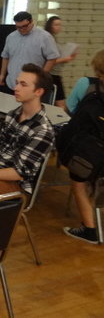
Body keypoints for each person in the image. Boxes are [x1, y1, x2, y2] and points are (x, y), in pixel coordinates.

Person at [0, 63, 55, 200]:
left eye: (23, 84)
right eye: (17, 83)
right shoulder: (12, 115)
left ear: (38, 92)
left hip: (16, 185)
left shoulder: (43, 131)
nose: (16, 88)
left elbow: (18, 173)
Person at [62, 49, 104, 244]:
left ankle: (89, 229)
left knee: (78, 183)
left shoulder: (86, 84)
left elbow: (69, 108)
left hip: (87, 153)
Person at [0, 11, 59, 91]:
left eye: (24, 26)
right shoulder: (11, 37)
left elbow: (52, 58)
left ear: (31, 22)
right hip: (12, 83)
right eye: (18, 27)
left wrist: (41, 77)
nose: (22, 29)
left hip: (32, 86)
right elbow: (5, 57)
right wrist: (2, 74)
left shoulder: (45, 37)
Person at [44, 16, 77, 108]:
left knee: (57, 103)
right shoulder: (49, 39)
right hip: (51, 74)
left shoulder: (53, 38)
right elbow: (49, 61)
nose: (59, 27)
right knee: (60, 104)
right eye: (56, 24)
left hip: (54, 74)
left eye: (60, 25)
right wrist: (65, 59)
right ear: (50, 25)